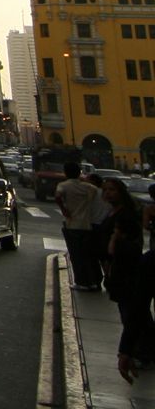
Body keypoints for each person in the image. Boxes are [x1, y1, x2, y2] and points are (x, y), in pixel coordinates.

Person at [101, 177, 148, 382]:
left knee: (133, 311)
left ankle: (143, 352)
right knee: (132, 311)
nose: (108, 193)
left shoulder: (126, 216)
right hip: (117, 270)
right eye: (106, 190)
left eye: (112, 189)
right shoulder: (113, 213)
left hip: (125, 270)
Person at [58, 161, 104, 290]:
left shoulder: (64, 185)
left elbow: (58, 196)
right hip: (88, 224)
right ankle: (96, 281)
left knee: (77, 255)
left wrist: (63, 209)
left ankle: (82, 282)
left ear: (65, 173)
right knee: (90, 255)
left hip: (72, 224)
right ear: (79, 173)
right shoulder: (89, 187)